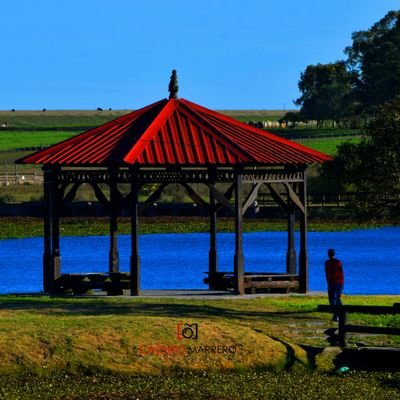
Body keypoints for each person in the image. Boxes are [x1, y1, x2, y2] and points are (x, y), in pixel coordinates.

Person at [325, 248, 344, 321]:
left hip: (333, 282)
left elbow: (327, 273)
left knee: (333, 298)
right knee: (337, 298)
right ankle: (340, 313)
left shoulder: (327, 263)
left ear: (328, 254)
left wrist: (328, 281)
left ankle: (336, 314)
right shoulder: (338, 262)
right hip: (339, 282)